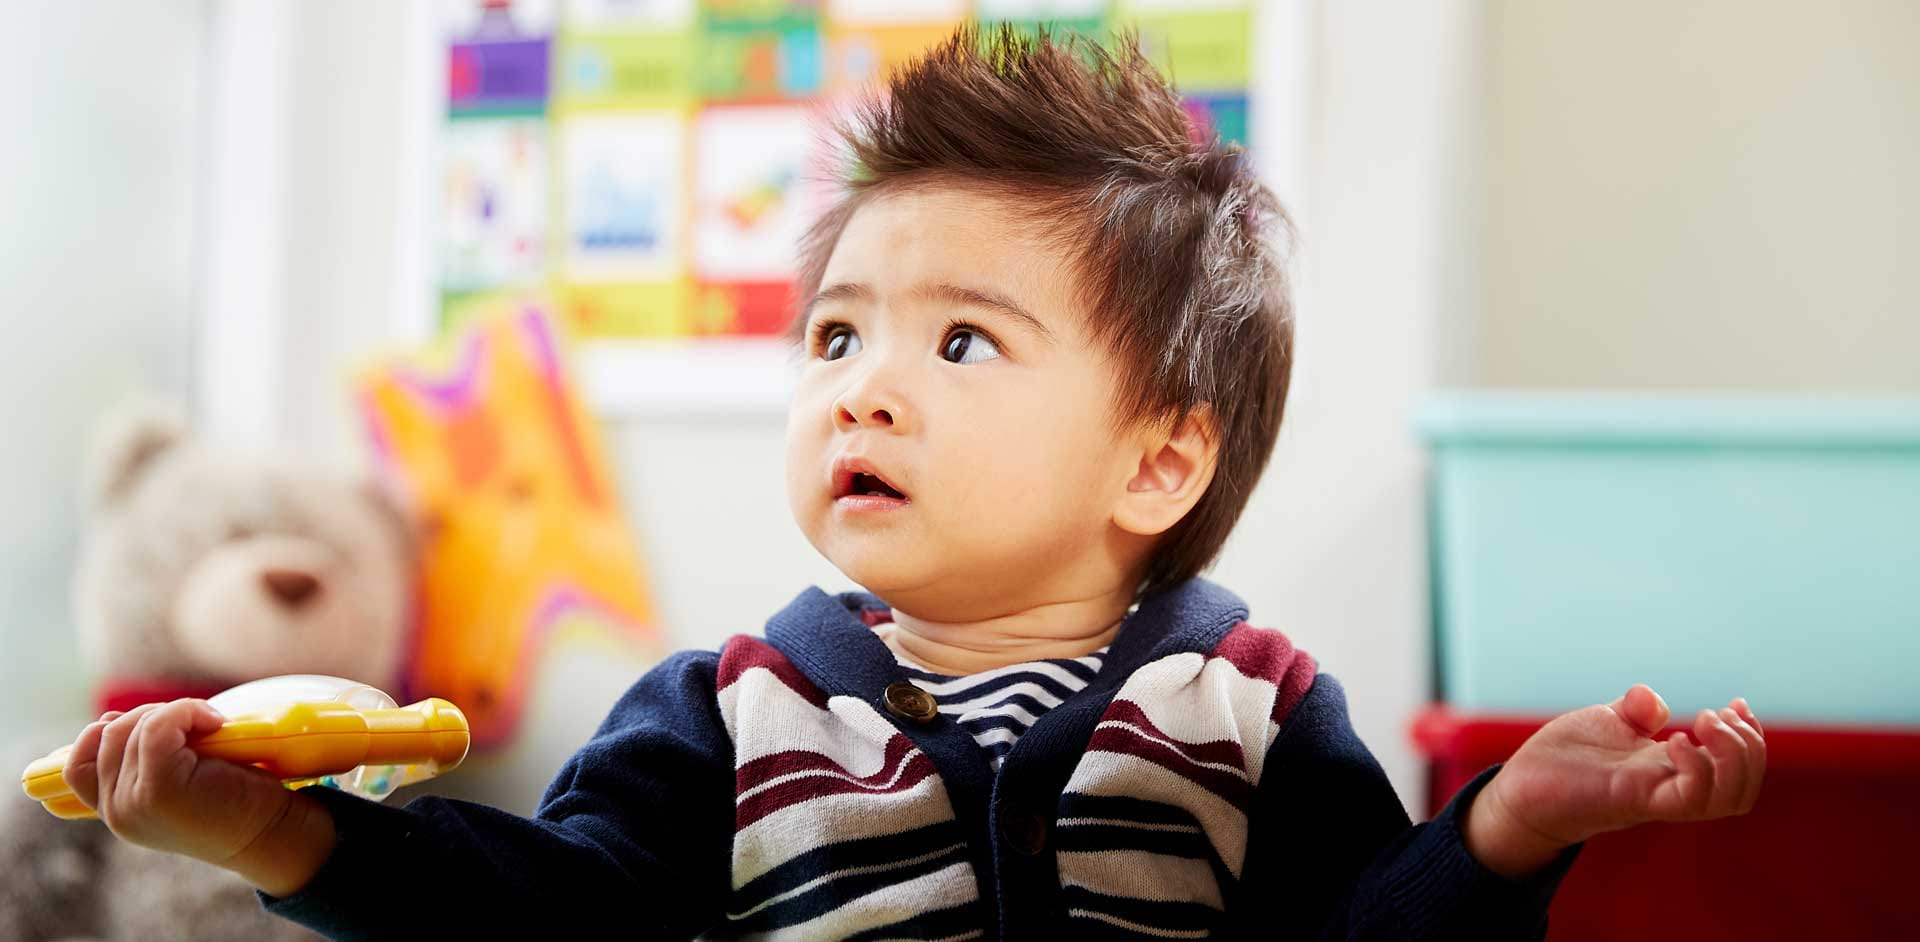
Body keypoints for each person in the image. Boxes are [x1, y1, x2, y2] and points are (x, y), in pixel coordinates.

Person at [58, 23, 1765, 940]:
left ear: (1160, 455)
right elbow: (554, 925)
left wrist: (1506, 830)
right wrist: (287, 835)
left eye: (959, 344)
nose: (864, 380)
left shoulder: (1252, 712)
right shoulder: (721, 715)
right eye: (834, 338)